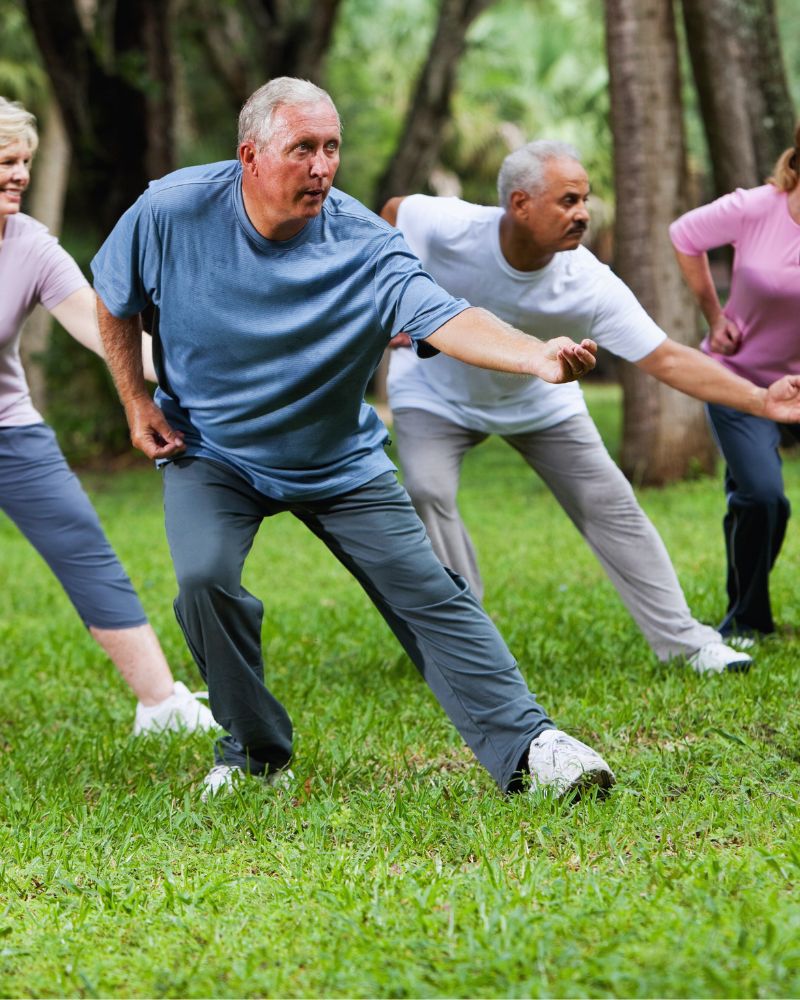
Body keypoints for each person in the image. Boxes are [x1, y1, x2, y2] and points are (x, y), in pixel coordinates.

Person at [91, 77, 615, 802]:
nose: (322, 166)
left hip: (336, 459)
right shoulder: (172, 211)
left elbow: (446, 315)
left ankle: (533, 747)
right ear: (250, 155)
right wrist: (134, 399)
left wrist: (535, 355)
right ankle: (253, 752)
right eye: (302, 148)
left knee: (432, 593)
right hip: (211, 448)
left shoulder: (365, 243)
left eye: (332, 147)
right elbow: (112, 297)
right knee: (203, 580)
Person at [381, 140, 800, 675]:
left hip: (540, 398)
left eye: (586, 200)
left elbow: (669, 360)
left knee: (613, 506)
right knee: (427, 489)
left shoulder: (588, 282)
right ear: (519, 203)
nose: (583, 213)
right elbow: (394, 211)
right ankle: (467, 646)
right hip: (435, 392)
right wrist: (391, 293)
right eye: (568, 200)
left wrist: (761, 398)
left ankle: (688, 642)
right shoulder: (450, 225)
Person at [0, 97, 216, 736]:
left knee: (83, 546)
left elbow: (107, 332)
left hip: (9, 427)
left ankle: (159, 703)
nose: (17, 174)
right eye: (4, 162)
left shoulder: (32, 248)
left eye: (24, 163)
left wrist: (201, 370)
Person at [670, 124, 800, 642]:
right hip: (739, 379)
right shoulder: (756, 207)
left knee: (761, 503)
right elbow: (684, 235)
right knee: (764, 499)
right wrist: (713, 315)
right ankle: (747, 619)